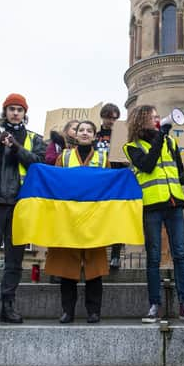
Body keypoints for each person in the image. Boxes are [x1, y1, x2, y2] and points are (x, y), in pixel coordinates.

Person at [0, 93, 46, 325]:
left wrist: (16, 147)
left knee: (15, 260)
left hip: (20, 204)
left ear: (25, 113)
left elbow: (38, 164)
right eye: (11, 109)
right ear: (5, 112)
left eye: (19, 109)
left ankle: (8, 305)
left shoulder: (34, 139)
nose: (15, 113)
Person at [123, 105, 184, 324]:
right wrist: (162, 134)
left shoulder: (170, 142)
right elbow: (148, 166)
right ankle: (154, 305)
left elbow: (176, 172)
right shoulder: (132, 146)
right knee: (154, 257)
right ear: (142, 120)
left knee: (180, 254)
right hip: (152, 206)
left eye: (159, 116)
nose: (158, 119)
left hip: (174, 203)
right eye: (154, 117)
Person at [44, 120, 110, 323]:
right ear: (75, 134)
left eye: (89, 130)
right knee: (67, 268)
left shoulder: (102, 157)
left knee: (95, 269)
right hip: (69, 219)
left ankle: (93, 311)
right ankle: (68, 311)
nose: (84, 133)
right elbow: (55, 182)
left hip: (93, 220)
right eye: (81, 130)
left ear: (94, 135)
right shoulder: (64, 156)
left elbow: (109, 186)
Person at [95, 103, 124, 269]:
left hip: (116, 179)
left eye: (114, 118)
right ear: (102, 117)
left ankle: (115, 255)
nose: (111, 121)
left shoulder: (121, 135)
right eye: (108, 117)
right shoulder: (95, 135)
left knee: (116, 218)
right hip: (99, 180)